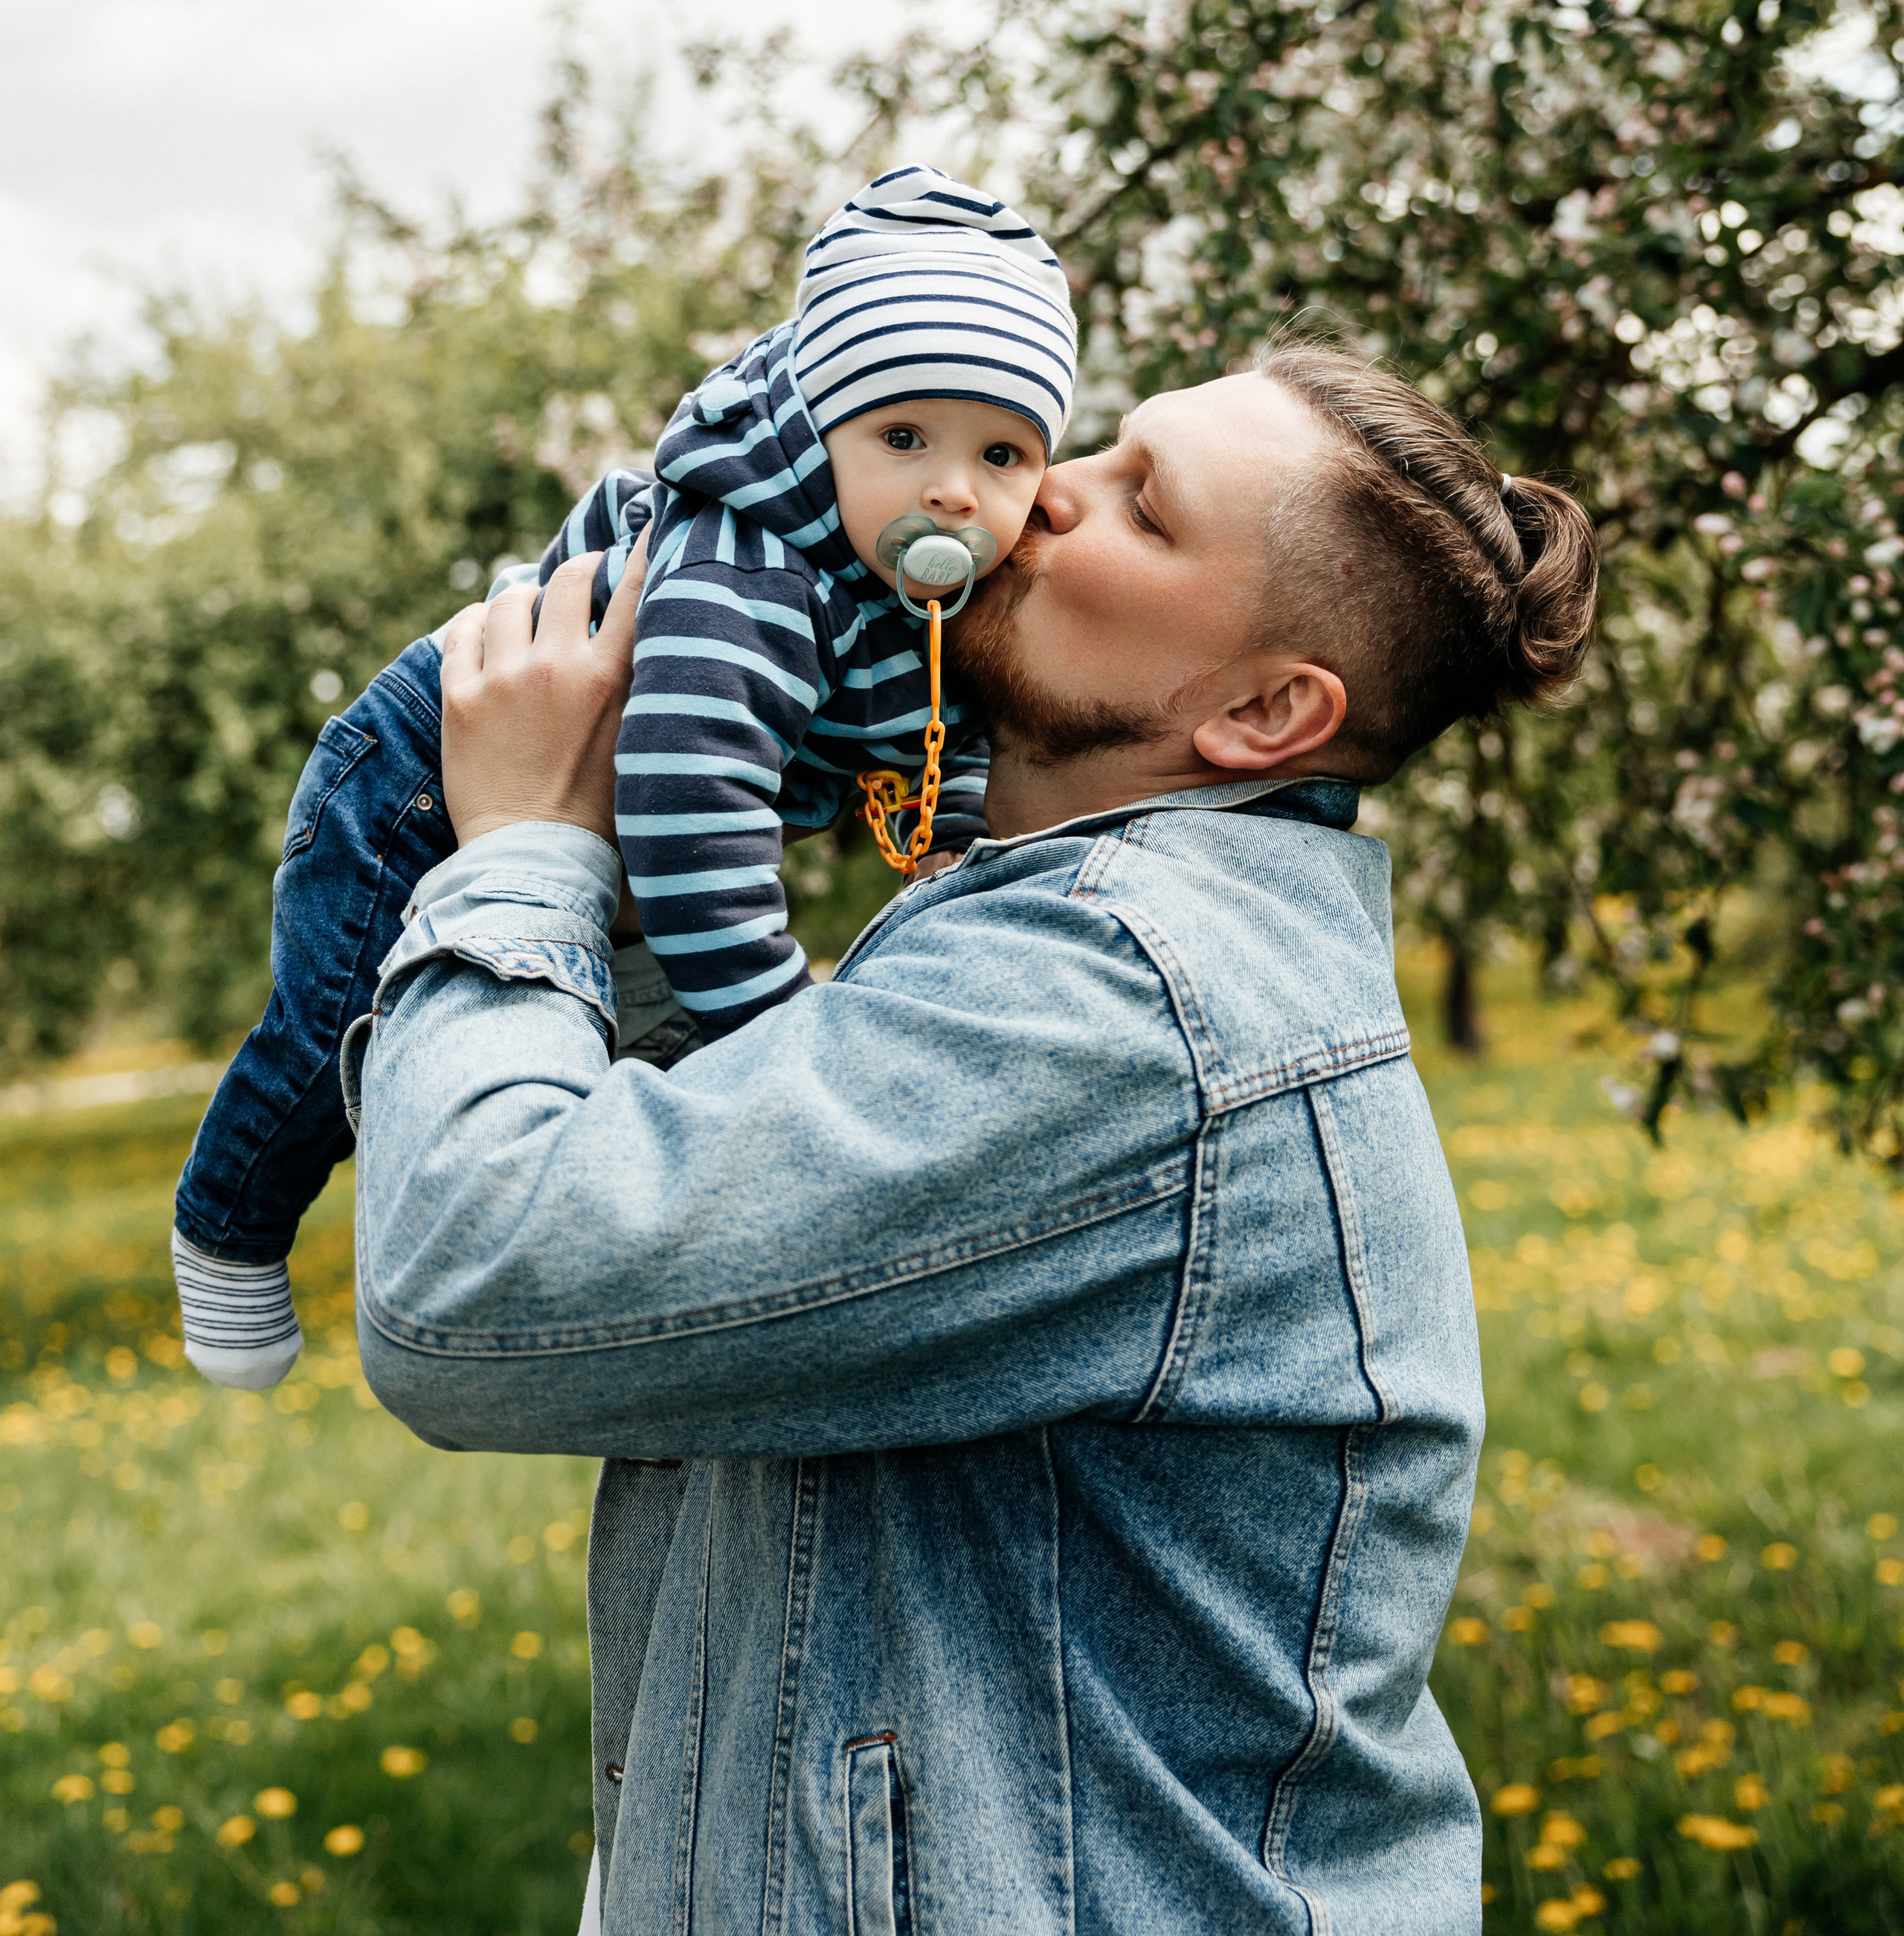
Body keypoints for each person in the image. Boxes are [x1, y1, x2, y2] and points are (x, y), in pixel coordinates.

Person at [347, 344, 1599, 1935]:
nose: (1047, 487)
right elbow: (697, 1193)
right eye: (1103, 447)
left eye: (1142, 510)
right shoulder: (1054, 938)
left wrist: (526, 850)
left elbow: (471, 1280)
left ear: (1264, 711)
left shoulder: (1121, 1006)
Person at [170, 164, 1077, 1389]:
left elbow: (954, 731)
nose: (953, 489)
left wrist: (968, 843)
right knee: (330, 1034)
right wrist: (773, 1035)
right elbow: (691, 812)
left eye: (1005, 452)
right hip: (425, 779)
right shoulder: (750, 577)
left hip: (594, 825)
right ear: (817, 431)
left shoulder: (924, 583)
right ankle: (224, 1229)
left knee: (617, 1071)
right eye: (901, 436)